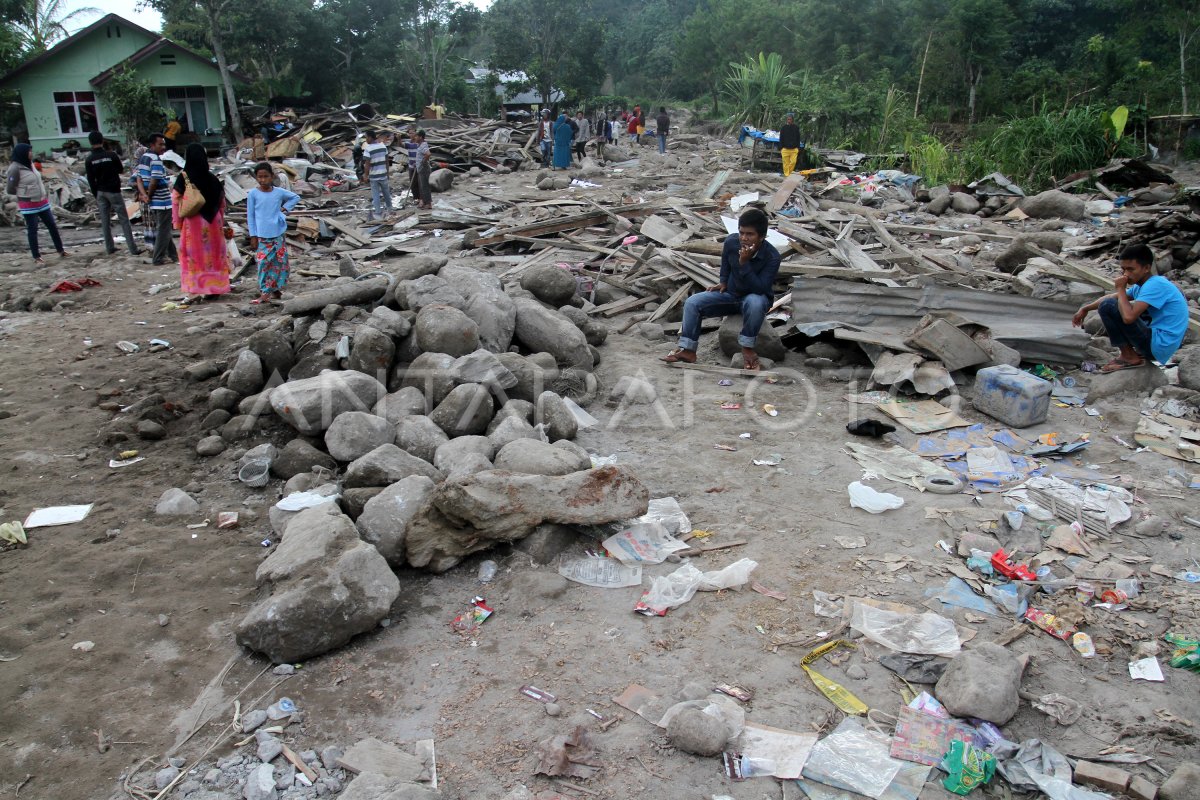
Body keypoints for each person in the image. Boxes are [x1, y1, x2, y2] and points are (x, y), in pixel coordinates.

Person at [662, 207, 780, 371]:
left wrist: (744, 263)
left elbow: (760, 288)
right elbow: (725, 260)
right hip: (731, 295)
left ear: (762, 236)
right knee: (693, 302)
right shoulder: (732, 242)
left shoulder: (772, 257)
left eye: (750, 234)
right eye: (742, 233)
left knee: (755, 302)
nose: (744, 238)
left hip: (756, 299)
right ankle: (688, 350)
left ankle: (747, 348)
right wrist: (723, 281)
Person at [1071, 244, 1188, 372]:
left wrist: (1120, 288)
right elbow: (1112, 296)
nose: (1126, 274)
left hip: (1159, 345)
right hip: (1157, 344)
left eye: (1131, 269)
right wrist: (1086, 309)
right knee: (1112, 302)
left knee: (1108, 306)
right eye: (1123, 269)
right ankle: (1130, 354)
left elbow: (1128, 318)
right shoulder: (1142, 285)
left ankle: (1128, 356)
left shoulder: (1156, 284)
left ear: (1146, 268)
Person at [172, 143, 230, 303]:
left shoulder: (184, 177)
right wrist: (220, 221)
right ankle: (214, 287)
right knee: (214, 256)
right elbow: (221, 201)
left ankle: (196, 288)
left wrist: (177, 222)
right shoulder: (212, 178)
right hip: (213, 222)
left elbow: (176, 200)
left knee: (194, 256)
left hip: (193, 223)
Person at [6, 143, 69, 265]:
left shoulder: (30, 164)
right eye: (29, 151)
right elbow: (10, 189)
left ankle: (61, 250)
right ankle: (36, 256)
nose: (31, 153)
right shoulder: (14, 168)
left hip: (42, 201)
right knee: (33, 229)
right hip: (28, 203)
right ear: (22, 153)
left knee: (52, 225)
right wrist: (25, 192)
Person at [247, 161, 301, 305]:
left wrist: (284, 210)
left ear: (272, 176)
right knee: (264, 263)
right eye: (260, 177)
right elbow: (250, 216)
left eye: (266, 176)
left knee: (279, 262)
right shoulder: (253, 194)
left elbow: (295, 197)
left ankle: (275, 289)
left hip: (277, 233)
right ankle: (265, 291)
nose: (263, 180)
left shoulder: (278, 192)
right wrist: (253, 235)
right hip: (262, 235)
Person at [85, 131, 140, 256]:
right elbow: (120, 169)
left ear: (90, 142)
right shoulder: (111, 155)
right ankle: (133, 248)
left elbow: (90, 179)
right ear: (102, 141)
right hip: (114, 191)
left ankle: (109, 247)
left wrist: (96, 194)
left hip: (100, 191)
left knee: (105, 221)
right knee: (124, 220)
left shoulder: (89, 159)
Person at [137, 133, 177, 266]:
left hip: (153, 200)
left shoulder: (144, 158)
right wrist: (148, 194)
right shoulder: (155, 159)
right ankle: (158, 257)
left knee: (164, 229)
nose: (163, 147)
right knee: (163, 230)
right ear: (152, 145)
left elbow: (139, 179)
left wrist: (144, 194)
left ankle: (174, 255)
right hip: (162, 200)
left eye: (164, 144)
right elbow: (154, 180)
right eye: (160, 144)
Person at [361, 130, 392, 221]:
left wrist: (366, 176)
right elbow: (387, 161)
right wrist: (387, 172)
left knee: (376, 194)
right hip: (383, 173)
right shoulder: (383, 146)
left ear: (370, 137)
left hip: (374, 175)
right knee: (386, 193)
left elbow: (367, 164)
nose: (366, 139)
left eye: (366, 137)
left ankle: (378, 212)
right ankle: (390, 209)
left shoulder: (368, 149)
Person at [413, 129, 433, 210]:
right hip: (420, 168)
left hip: (423, 168)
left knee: (425, 186)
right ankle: (425, 202)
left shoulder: (423, 145)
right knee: (422, 186)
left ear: (420, 137)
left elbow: (428, 154)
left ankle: (428, 203)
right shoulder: (420, 145)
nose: (415, 138)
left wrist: (423, 162)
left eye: (416, 136)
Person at [779, 113, 801, 177]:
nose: (789, 121)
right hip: (785, 149)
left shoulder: (796, 128)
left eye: (790, 119)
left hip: (794, 149)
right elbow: (781, 138)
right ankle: (787, 175)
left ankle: (789, 173)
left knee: (793, 162)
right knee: (785, 163)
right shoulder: (783, 128)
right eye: (788, 119)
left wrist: (798, 148)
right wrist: (781, 148)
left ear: (792, 120)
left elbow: (798, 138)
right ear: (787, 120)